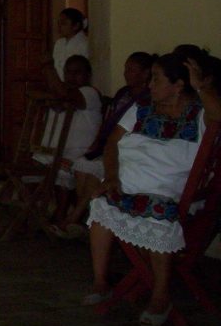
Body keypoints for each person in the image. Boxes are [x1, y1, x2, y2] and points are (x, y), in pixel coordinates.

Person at [84, 52, 220, 326]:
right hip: (128, 183)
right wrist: (112, 176)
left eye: (156, 79)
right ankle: (101, 281)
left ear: (178, 85)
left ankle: (160, 296)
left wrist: (201, 87)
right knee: (102, 202)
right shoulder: (142, 107)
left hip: (167, 190)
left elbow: (219, 116)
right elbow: (112, 144)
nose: (149, 85)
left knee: (157, 214)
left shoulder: (200, 112)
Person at [52, 52, 154, 237]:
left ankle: (73, 219)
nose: (126, 73)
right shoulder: (123, 93)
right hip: (108, 144)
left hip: (126, 148)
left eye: (131, 70)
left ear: (146, 73)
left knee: (94, 173)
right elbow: (109, 120)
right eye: (125, 69)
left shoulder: (148, 99)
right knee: (81, 168)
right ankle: (86, 220)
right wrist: (99, 141)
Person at [31, 54, 102, 225]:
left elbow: (64, 94)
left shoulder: (90, 93)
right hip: (54, 152)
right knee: (30, 166)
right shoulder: (61, 93)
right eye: (68, 72)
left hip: (79, 154)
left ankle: (61, 215)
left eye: (77, 72)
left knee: (61, 169)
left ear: (88, 75)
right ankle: (32, 212)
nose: (72, 77)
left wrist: (48, 68)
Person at [52, 8, 88, 79]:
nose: (59, 26)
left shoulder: (85, 44)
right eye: (58, 23)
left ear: (76, 26)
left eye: (63, 23)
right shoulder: (59, 43)